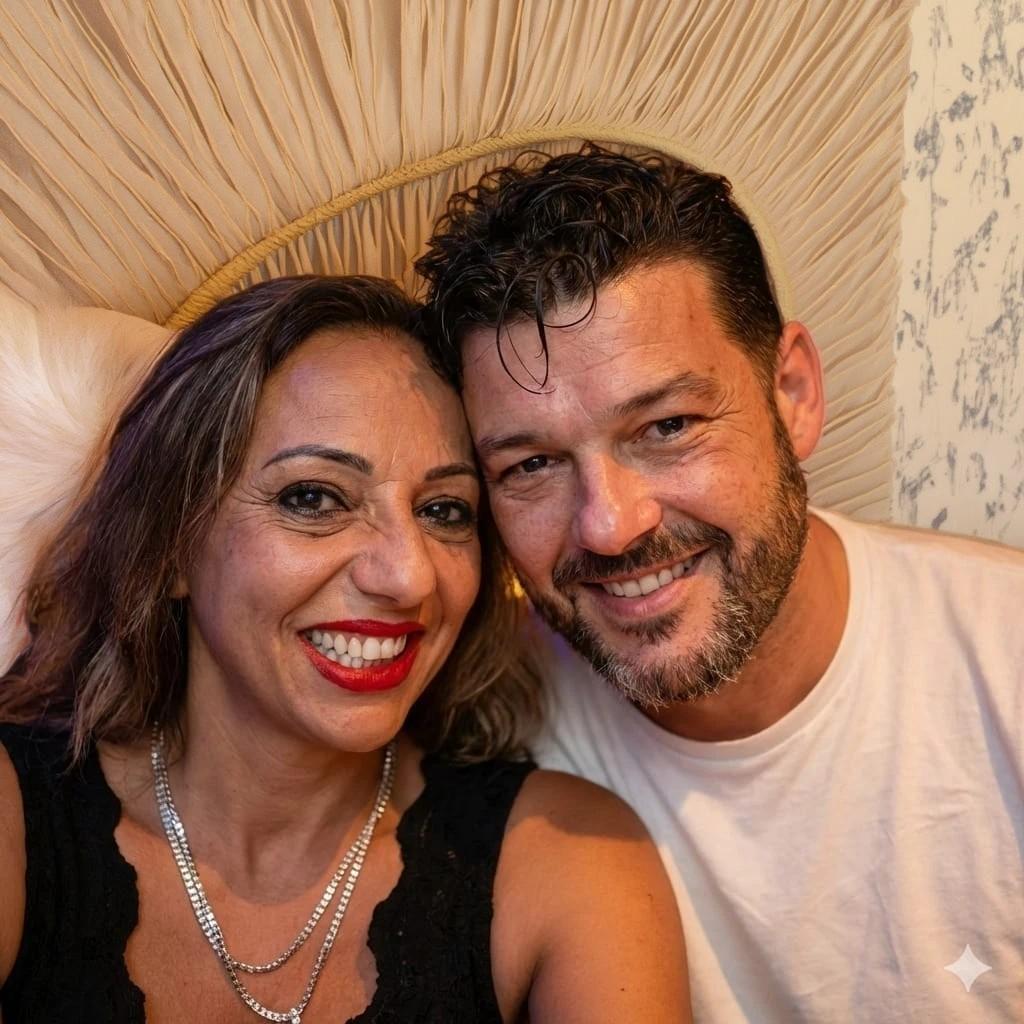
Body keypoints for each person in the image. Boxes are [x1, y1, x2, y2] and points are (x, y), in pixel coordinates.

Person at [416, 145, 1024, 1021]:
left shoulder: (1003, 662)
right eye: (532, 465)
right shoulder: (483, 704)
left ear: (793, 393)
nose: (609, 525)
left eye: (667, 426)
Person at [0, 275, 690, 1023]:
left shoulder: (568, 858)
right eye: (313, 498)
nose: (408, 576)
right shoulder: (14, 813)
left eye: (443, 511)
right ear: (171, 546)